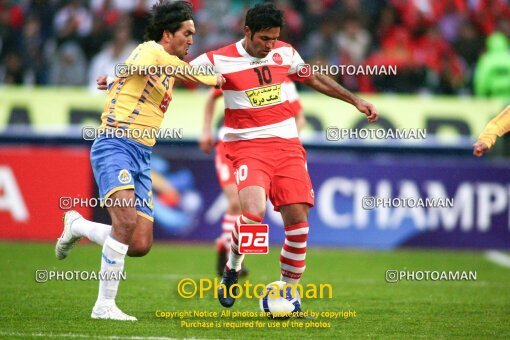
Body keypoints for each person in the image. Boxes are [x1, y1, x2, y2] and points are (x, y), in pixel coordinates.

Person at [190, 3, 378, 309]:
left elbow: (314, 79)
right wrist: (122, 80)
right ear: (247, 31)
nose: (269, 45)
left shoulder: (284, 53)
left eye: (274, 38)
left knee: (299, 224)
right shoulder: (218, 59)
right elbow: (173, 73)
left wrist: (355, 100)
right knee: (252, 213)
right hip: (247, 147)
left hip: (287, 146)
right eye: (264, 38)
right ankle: (232, 267)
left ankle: (288, 292)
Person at [55, 1, 224, 321]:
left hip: (143, 154)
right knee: (126, 223)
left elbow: (132, 75)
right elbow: (146, 67)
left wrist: (114, 79)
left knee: (140, 242)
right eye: (187, 33)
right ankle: (103, 306)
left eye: (194, 34)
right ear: (167, 33)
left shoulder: (164, 65)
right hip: (115, 144)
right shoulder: (151, 50)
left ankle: (78, 225)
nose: (191, 40)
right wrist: (221, 80)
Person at [199, 78, 305, 277]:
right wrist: (205, 130)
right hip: (231, 144)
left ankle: (227, 247)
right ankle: (231, 257)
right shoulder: (240, 70)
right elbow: (211, 96)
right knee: (235, 202)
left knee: (252, 209)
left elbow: (300, 118)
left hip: (263, 152)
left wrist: (284, 145)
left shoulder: (285, 82)